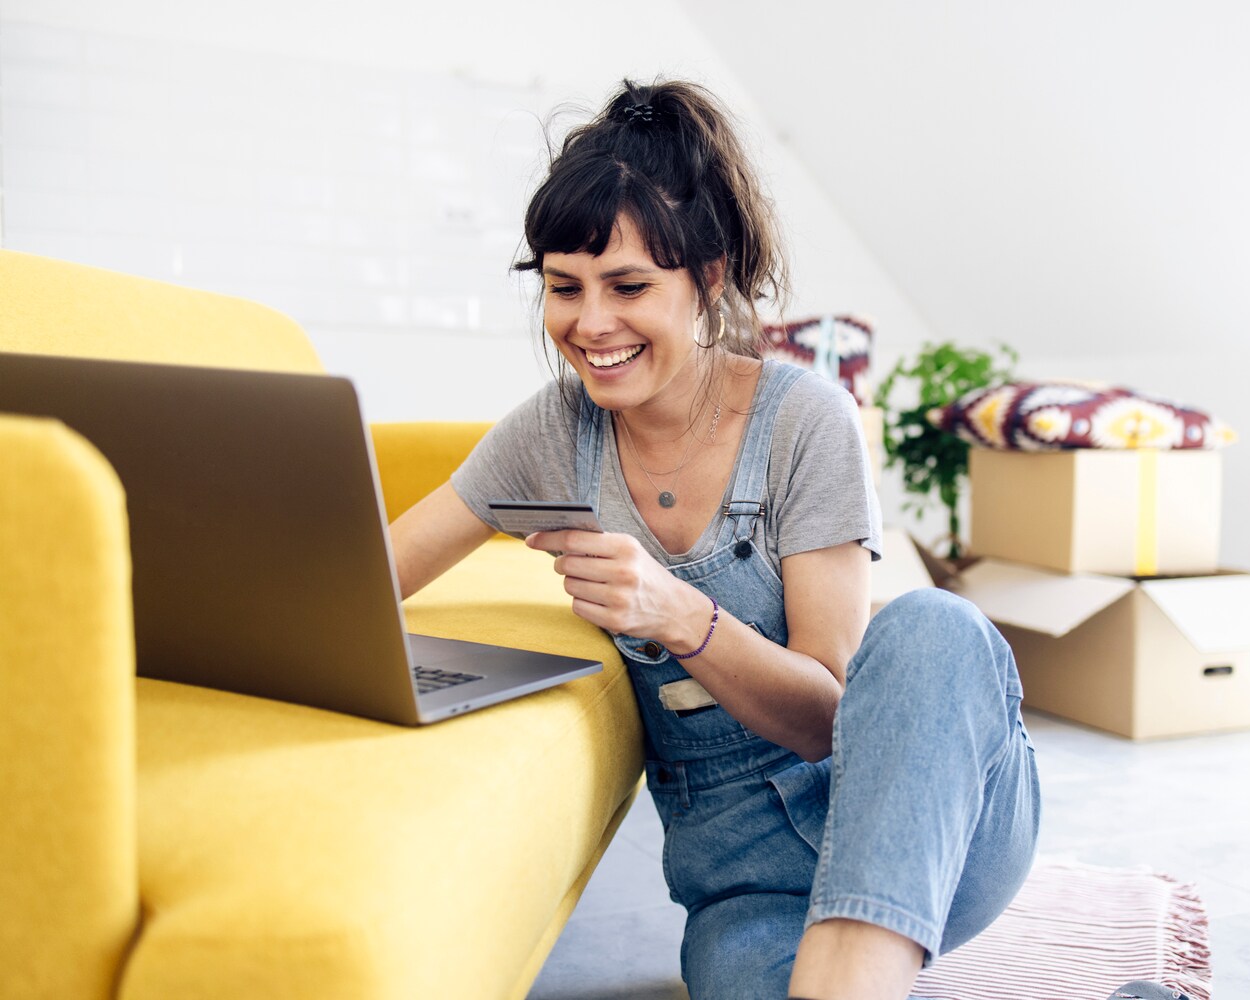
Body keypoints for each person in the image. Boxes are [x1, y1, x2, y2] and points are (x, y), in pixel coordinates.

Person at [391, 78, 1041, 1000]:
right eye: (563, 288)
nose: (590, 324)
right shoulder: (550, 433)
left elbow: (825, 718)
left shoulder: (803, 422)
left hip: (926, 836)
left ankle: (855, 965)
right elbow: (371, 576)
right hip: (749, 887)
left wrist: (677, 613)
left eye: (627, 286)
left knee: (933, 626)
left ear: (710, 275)